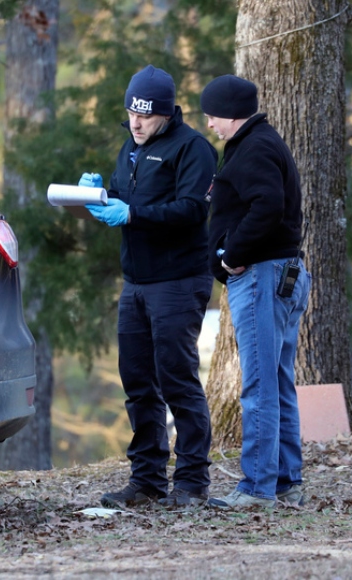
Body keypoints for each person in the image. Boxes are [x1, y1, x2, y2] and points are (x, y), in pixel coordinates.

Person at [80, 64, 218, 508]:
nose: (136, 123)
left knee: (176, 379)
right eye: (130, 113)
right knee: (137, 381)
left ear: (166, 113)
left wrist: (133, 215)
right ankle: (147, 481)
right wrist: (100, 195)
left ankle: (192, 484)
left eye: (145, 115)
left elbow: (192, 210)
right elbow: (126, 195)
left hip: (178, 280)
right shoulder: (131, 147)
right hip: (136, 282)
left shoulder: (193, 148)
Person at [199, 74, 311, 509]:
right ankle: (285, 480)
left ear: (230, 113)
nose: (210, 123)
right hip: (280, 274)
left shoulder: (254, 147)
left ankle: (258, 486)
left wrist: (232, 253)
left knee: (260, 383)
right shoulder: (263, 142)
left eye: (212, 115)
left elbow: (268, 204)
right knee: (278, 380)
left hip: (263, 277)